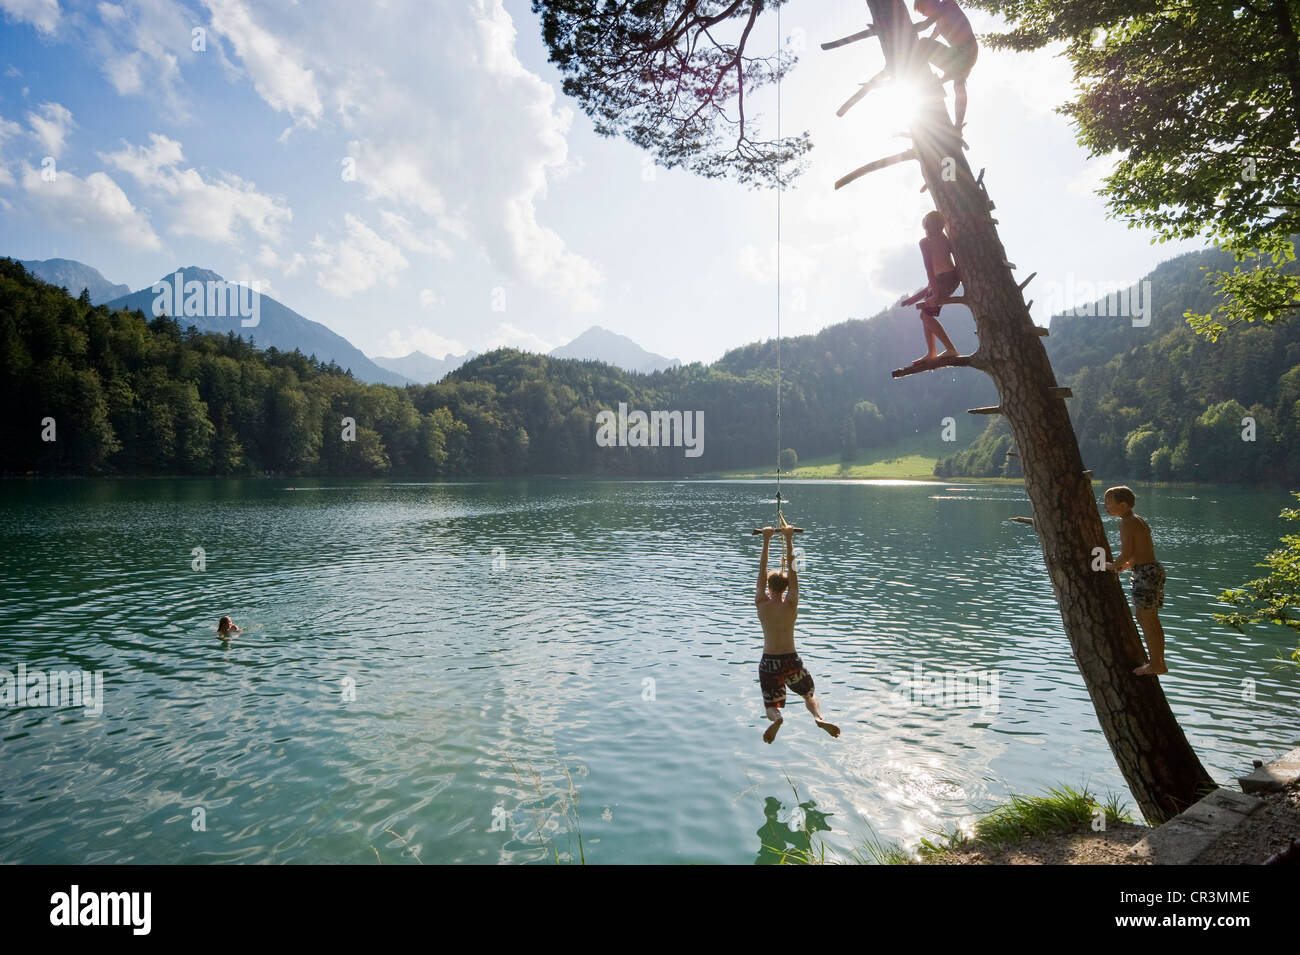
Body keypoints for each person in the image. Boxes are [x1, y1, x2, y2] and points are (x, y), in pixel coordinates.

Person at [755, 525, 840, 743]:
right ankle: (818, 717)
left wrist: (766, 540)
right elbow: (793, 573)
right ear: (785, 589)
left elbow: (761, 571)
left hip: (769, 662)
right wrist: (789, 538)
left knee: (771, 705)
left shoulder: (761, 603)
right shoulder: (791, 604)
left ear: (769, 587)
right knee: (809, 694)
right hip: (791, 660)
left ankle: (776, 719)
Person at [1102, 486, 1168, 676]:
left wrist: (1114, 566)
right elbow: (1140, 551)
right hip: (1150, 570)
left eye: (1108, 503)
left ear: (1123, 505)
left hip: (1146, 573)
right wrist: (1127, 565)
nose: (1105, 506)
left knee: (1148, 620)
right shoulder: (1136, 520)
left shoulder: (1126, 523)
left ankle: (1157, 664)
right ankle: (1157, 662)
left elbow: (1127, 552)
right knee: (1146, 618)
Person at [901, 210, 962, 365]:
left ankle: (948, 348)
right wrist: (914, 299)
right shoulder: (945, 238)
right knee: (925, 314)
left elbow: (930, 271)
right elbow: (936, 275)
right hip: (951, 279)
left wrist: (935, 293)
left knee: (925, 315)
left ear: (926, 226)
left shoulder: (925, 242)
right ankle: (932, 352)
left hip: (943, 281)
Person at [914, 0, 979, 131]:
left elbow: (924, 26)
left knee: (923, 44)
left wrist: (903, 29)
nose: (923, 15)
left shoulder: (946, 5)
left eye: (923, 10)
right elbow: (932, 37)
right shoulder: (938, 21)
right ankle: (958, 127)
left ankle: (916, 76)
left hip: (965, 52)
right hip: (962, 58)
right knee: (958, 84)